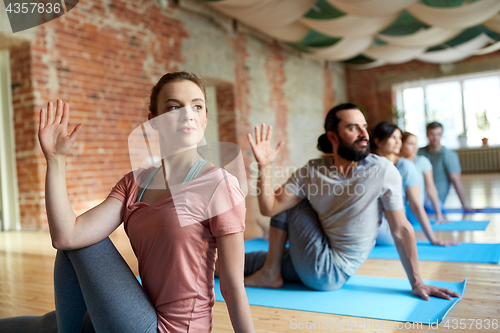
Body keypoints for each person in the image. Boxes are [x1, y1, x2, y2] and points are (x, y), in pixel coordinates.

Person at [0, 72, 255, 333]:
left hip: (171, 330)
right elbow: (66, 236)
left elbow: (233, 286)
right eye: (174, 107)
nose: (187, 114)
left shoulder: (219, 185)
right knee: (44, 323)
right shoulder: (134, 183)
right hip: (138, 314)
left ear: (204, 119)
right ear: (153, 121)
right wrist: (55, 160)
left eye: (197, 106)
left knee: (86, 247)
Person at [243, 103, 461, 302]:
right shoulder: (312, 170)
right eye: (353, 128)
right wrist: (264, 167)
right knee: (236, 264)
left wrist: (417, 282)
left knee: (295, 202)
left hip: (331, 271)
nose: (364, 133)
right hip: (313, 256)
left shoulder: (382, 170)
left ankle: (271, 272)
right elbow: (269, 208)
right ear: (333, 137)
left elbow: (401, 228)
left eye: (364, 127)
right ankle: (265, 269)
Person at [370, 122, 457, 246]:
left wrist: (433, 239)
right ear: (378, 141)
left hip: (390, 228)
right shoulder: (369, 163)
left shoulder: (406, 166)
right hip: (371, 219)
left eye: (399, 138)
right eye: (393, 138)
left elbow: (416, 205)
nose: (398, 142)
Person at [418, 122, 473, 212]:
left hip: (433, 201)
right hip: (417, 197)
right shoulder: (419, 152)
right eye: (432, 134)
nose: (435, 138)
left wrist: (464, 205)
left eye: (438, 134)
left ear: (442, 135)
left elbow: (456, 180)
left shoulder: (449, 155)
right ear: (427, 134)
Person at [400, 131, 448, 224]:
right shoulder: (396, 163)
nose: (415, 148)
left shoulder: (422, 161)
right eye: (411, 144)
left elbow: (431, 188)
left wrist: (439, 214)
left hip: (413, 209)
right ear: (400, 144)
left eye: (416, 144)